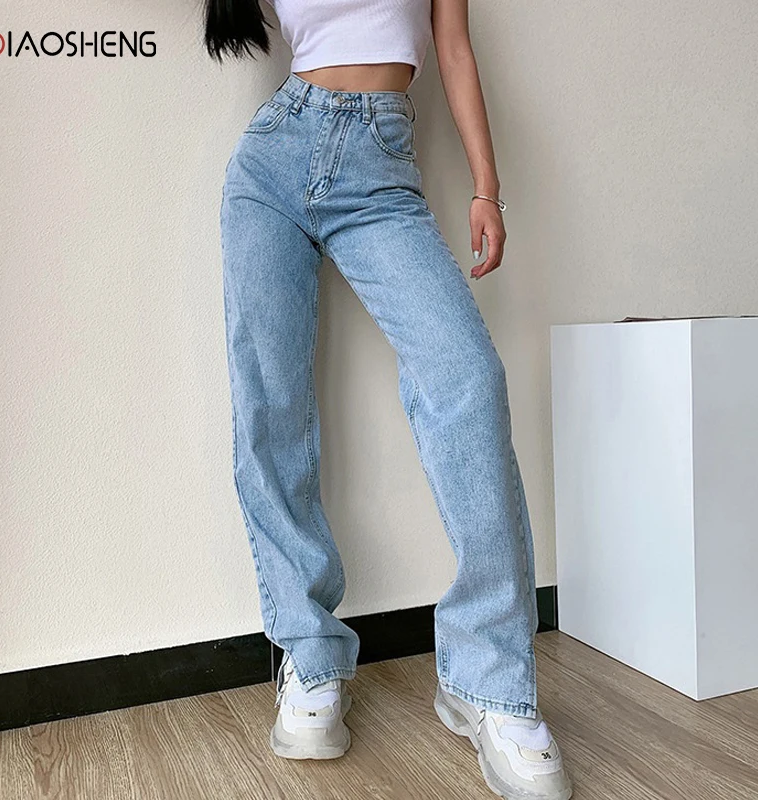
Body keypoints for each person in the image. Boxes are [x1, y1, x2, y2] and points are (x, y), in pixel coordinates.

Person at [205, 1, 572, 797]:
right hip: (272, 160)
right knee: (270, 405)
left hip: (379, 164)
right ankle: (309, 654)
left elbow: (454, 47)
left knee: (467, 378)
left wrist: (487, 188)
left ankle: (487, 682)